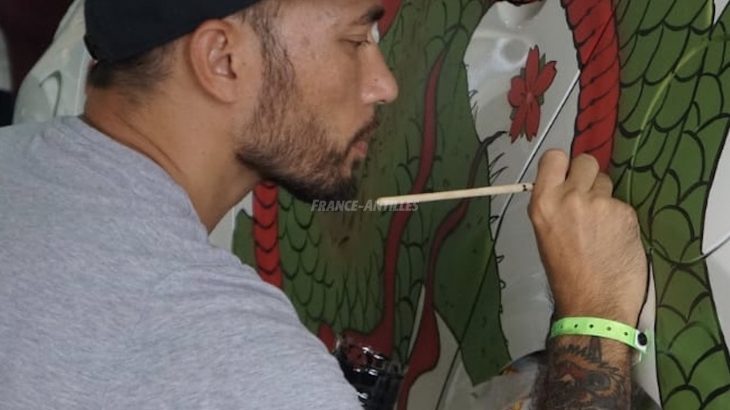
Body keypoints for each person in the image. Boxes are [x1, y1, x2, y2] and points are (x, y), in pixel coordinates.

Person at [0, 0, 648, 408]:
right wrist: (597, 319)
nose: (384, 84)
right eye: (355, 38)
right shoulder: (235, 362)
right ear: (222, 59)